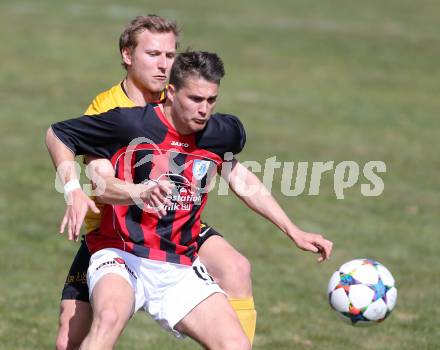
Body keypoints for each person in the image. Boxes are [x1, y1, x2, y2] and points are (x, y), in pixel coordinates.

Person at [47, 50, 333, 349]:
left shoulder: (222, 133)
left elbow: (240, 177)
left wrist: (293, 230)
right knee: (107, 318)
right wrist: (77, 190)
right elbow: (58, 134)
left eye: (211, 100)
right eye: (195, 99)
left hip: (179, 264)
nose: (204, 110)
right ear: (171, 92)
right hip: (122, 253)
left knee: (236, 345)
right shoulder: (129, 124)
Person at [55, 15, 257, 349]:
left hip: (170, 220)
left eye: (170, 55)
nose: (164, 65)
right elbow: (100, 182)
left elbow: (215, 154)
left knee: (236, 267)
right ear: (127, 55)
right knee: (69, 340)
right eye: (154, 54)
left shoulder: (181, 97)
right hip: (112, 228)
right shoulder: (109, 110)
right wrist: (75, 189)